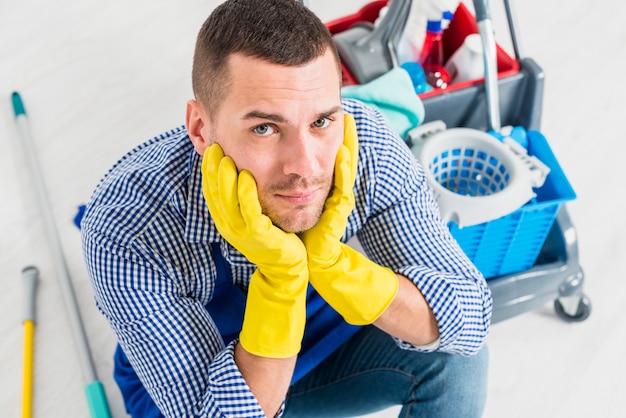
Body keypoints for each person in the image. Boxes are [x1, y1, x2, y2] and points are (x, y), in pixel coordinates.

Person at [81, 0, 493, 417]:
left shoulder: (363, 144)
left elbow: (471, 318)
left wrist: (334, 266)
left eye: (320, 122)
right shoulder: (127, 225)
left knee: (454, 352)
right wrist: (280, 282)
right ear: (201, 129)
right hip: (204, 386)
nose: (306, 167)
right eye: (265, 128)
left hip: (320, 342)